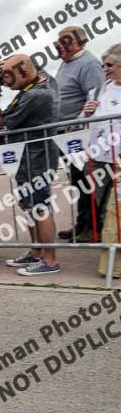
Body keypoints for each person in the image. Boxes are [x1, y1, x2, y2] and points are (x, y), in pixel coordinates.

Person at [0, 54, 61, 275]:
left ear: (25, 72)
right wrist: (6, 62)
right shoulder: (43, 80)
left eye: (9, 76)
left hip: (37, 158)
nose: (6, 81)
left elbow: (1, 121)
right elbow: (28, 63)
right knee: (29, 207)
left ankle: (50, 261)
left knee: (40, 207)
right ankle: (36, 251)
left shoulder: (35, 95)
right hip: (26, 158)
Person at [54, 26, 107, 243]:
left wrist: (76, 123)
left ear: (78, 43)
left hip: (79, 134)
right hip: (67, 135)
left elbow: (94, 97)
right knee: (77, 181)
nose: (59, 46)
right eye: (58, 41)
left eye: (64, 41)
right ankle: (82, 223)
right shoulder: (65, 64)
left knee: (87, 180)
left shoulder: (89, 64)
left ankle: (93, 227)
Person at [83, 44, 121, 275]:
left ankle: (114, 263)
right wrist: (85, 112)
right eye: (103, 64)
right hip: (100, 157)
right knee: (105, 210)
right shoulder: (98, 90)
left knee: (115, 210)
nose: (104, 69)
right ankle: (111, 258)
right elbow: (82, 121)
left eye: (109, 65)